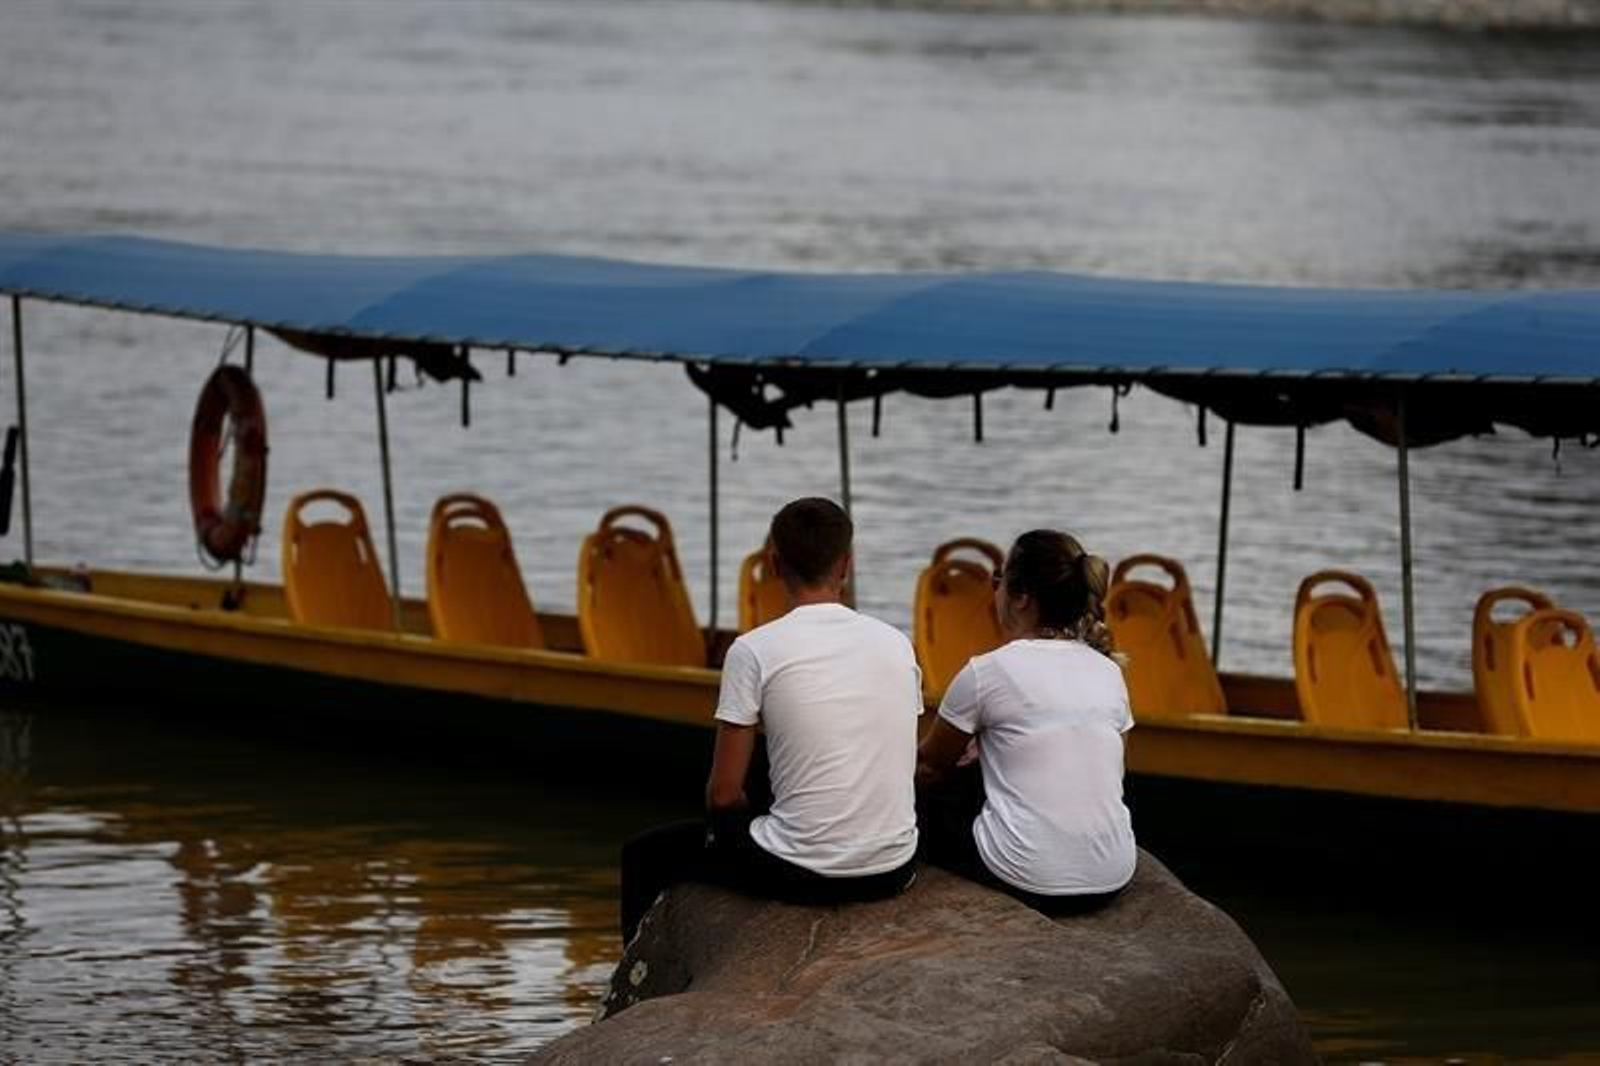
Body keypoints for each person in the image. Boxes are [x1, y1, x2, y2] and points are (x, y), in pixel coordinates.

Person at [618, 497, 921, 943]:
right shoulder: (896, 643)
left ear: (776, 564)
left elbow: (722, 795)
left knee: (644, 853)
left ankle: (635, 992)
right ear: (847, 565)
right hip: (894, 867)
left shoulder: (755, 650)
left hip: (804, 875)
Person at [916, 529, 1136, 914]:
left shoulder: (988, 671)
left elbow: (929, 766)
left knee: (925, 799)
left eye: (998, 581)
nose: (995, 591)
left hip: (1029, 878)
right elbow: (1114, 770)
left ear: (1020, 596)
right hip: (1113, 874)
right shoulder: (1109, 672)